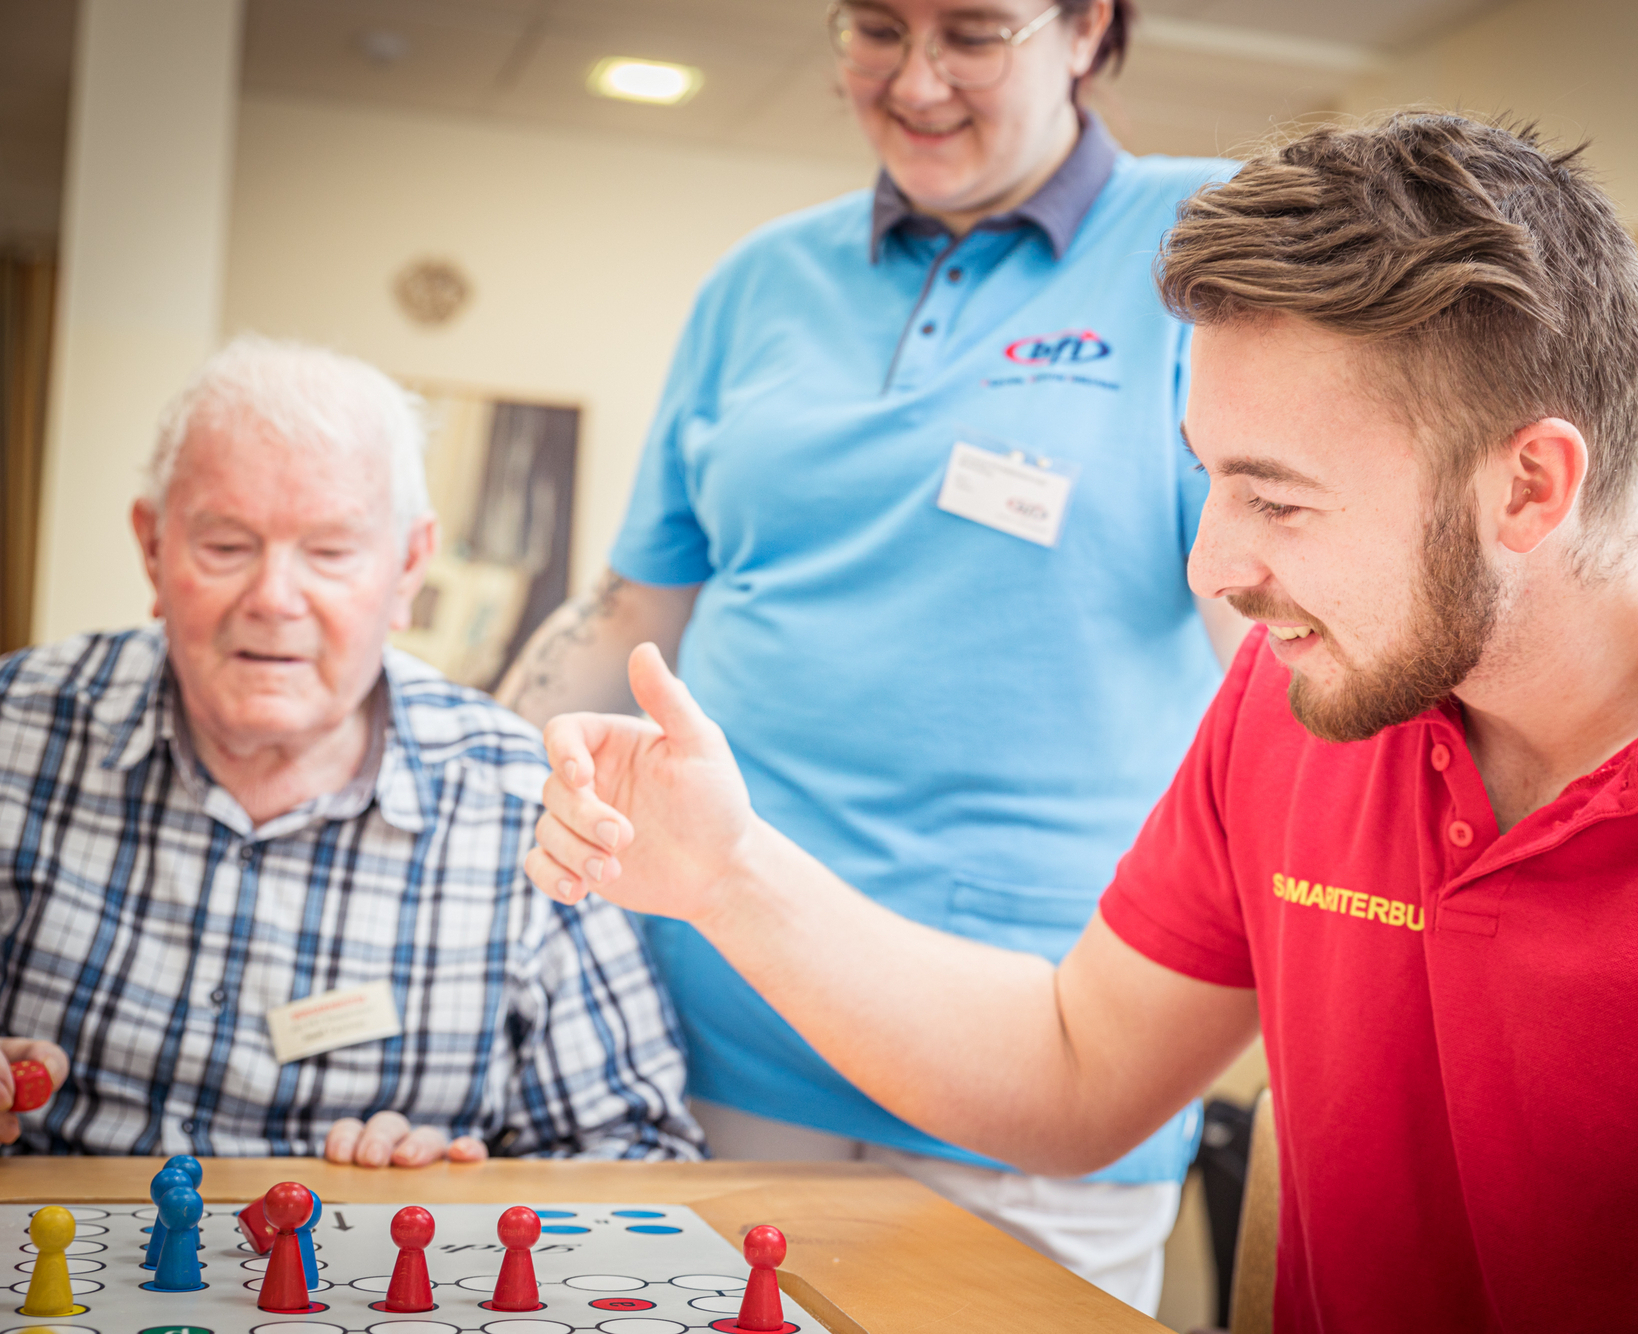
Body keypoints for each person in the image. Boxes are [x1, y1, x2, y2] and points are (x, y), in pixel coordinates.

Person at [527, 112, 1638, 1332]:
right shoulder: (1294, 700)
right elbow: (1073, 1067)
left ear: (1529, 485)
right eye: (1209, 477)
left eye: (1278, 499)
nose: (1212, 561)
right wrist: (728, 871)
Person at [497, 0, 1246, 1306]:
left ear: (1085, 29)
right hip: (714, 1024)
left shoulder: (1202, 249)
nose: (915, 81)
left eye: (970, 32)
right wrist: (437, 770)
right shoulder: (755, 284)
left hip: (1032, 1050)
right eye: (875, 28)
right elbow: (629, 613)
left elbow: (1276, 666)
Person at [0, 337, 702, 1165]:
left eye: (330, 552)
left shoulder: (528, 804)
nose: (274, 599)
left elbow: (644, 1154)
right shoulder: (16, 725)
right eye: (226, 546)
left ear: (408, 567)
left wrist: (469, 1195)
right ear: (152, 547)